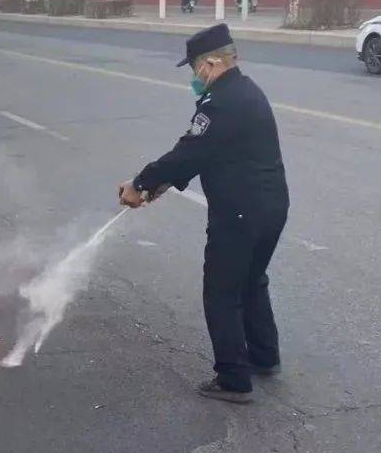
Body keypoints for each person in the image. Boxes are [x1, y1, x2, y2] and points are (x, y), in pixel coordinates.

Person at [118, 23, 289, 403]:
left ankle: (233, 379)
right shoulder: (248, 92)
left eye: (196, 69)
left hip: (240, 214)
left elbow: (189, 151)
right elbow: (211, 153)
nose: (195, 78)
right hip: (272, 207)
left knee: (222, 293)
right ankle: (263, 356)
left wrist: (141, 183)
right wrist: (164, 184)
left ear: (212, 63)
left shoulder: (222, 102)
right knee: (252, 280)